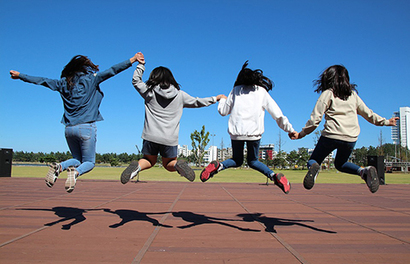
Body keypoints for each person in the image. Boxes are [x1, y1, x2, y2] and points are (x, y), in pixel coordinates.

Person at [10, 53, 141, 192]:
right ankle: (75, 173)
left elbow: (42, 80)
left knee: (77, 159)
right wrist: (132, 60)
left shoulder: (63, 83)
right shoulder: (91, 79)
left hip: (69, 129)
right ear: (84, 69)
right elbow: (113, 70)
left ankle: (60, 167)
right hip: (86, 127)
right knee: (89, 162)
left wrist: (20, 75)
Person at [290, 65, 398, 193]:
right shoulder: (353, 96)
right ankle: (364, 171)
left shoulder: (328, 94)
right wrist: (386, 122)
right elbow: (369, 114)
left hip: (331, 135)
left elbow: (315, 120)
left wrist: (301, 134)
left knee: (314, 160)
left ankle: (314, 167)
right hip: (350, 138)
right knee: (340, 164)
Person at [120, 52, 225, 184]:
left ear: (154, 78)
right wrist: (216, 98)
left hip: (150, 136)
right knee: (169, 163)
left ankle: (137, 168)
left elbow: (136, 81)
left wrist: (140, 66)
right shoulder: (180, 95)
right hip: (169, 139)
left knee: (149, 160)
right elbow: (198, 102)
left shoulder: (149, 92)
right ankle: (177, 166)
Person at [200, 61, 294, 194]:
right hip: (254, 134)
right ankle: (274, 176)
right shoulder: (261, 92)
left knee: (237, 160)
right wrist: (289, 129)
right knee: (253, 161)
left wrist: (221, 99)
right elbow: (277, 114)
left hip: (236, 133)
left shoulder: (235, 91)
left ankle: (218, 166)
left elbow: (223, 111)